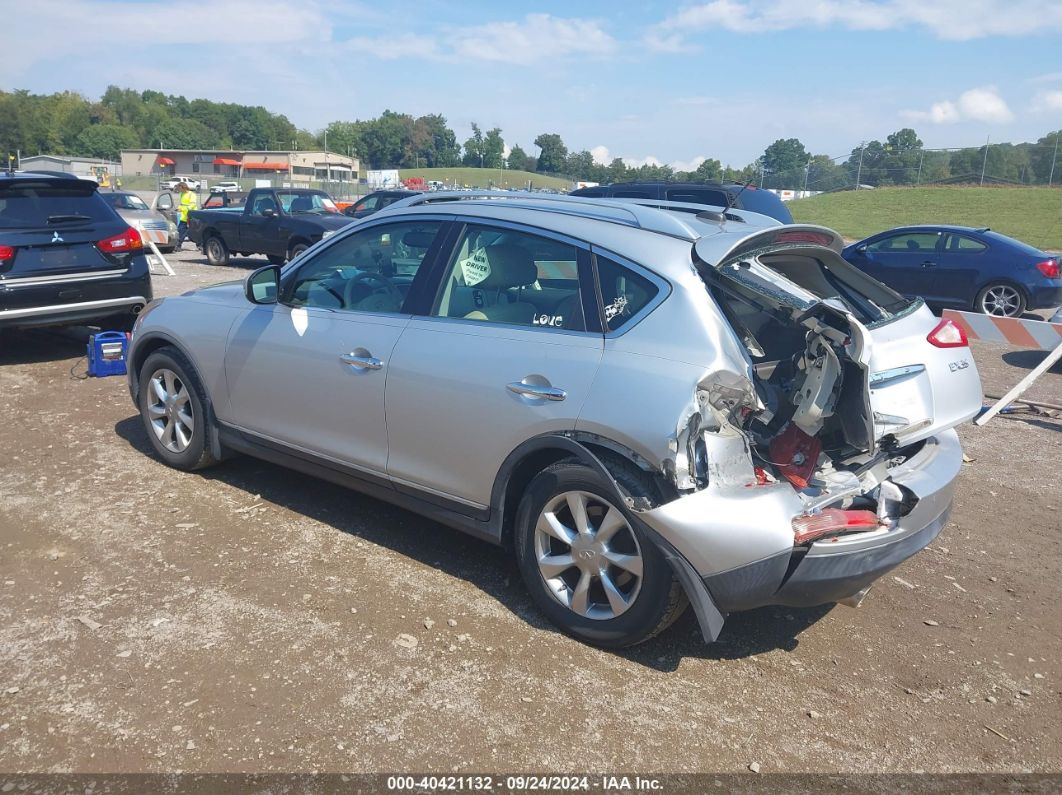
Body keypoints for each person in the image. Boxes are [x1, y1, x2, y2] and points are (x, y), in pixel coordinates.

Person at [176, 182, 198, 248]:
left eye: (179, 188)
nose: (178, 190)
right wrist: (179, 208)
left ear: (183, 187)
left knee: (194, 231)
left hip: (191, 215)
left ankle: (200, 245)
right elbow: (182, 204)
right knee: (180, 229)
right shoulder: (182, 194)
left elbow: (192, 204)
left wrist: (184, 209)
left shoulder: (192, 194)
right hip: (184, 216)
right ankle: (178, 245)